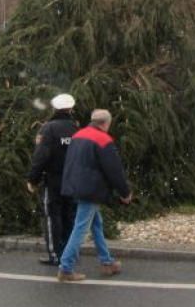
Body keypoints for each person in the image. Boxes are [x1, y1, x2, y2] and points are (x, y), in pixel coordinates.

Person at [57, 108, 132, 282]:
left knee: (96, 224)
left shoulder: (78, 135)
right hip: (90, 190)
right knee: (81, 227)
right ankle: (65, 268)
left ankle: (107, 262)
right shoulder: (103, 140)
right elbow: (114, 170)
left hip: (75, 186)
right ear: (106, 123)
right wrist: (125, 192)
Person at [25, 93, 79, 266]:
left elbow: (41, 156)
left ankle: (55, 255)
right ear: (71, 109)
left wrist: (33, 179)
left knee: (52, 216)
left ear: (55, 108)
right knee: (69, 216)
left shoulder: (49, 128)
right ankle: (69, 253)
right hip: (73, 180)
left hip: (54, 180)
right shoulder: (77, 128)